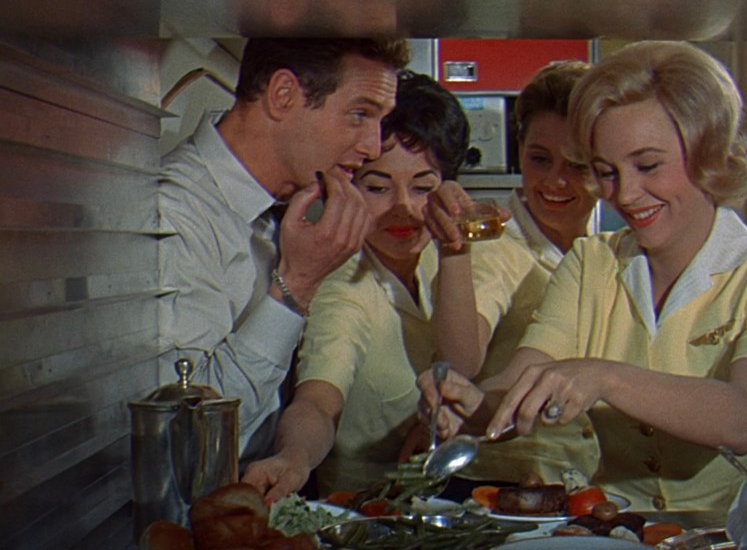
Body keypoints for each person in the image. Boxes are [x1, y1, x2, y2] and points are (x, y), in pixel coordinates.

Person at [420, 41, 747, 524]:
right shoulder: (592, 262)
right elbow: (521, 382)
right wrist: (472, 403)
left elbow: (743, 418)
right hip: (614, 530)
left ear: (708, 153)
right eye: (606, 172)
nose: (625, 195)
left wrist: (604, 376)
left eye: (647, 166)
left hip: (727, 534)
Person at [159, 38, 410, 463]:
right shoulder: (175, 211)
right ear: (283, 95)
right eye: (360, 115)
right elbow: (185, 436)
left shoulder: (281, 209)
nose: (372, 147)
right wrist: (298, 285)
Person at [240, 71, 471, 502]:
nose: (404, 208)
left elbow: (469, 365)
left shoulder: (446, 259)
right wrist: (294, 456)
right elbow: (318, 400)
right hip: (366, 512)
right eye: (378, 187)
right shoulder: (343, 283)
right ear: (345, 187)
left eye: (423, 187)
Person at [425, 61, 603, 492]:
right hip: (501, 486)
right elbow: (462, 360)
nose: (555, 181)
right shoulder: (497, 247)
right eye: (540, 159)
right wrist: (455, 251)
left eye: (577, 165)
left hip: (584, 487)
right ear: (519, 148)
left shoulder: (605, 254)